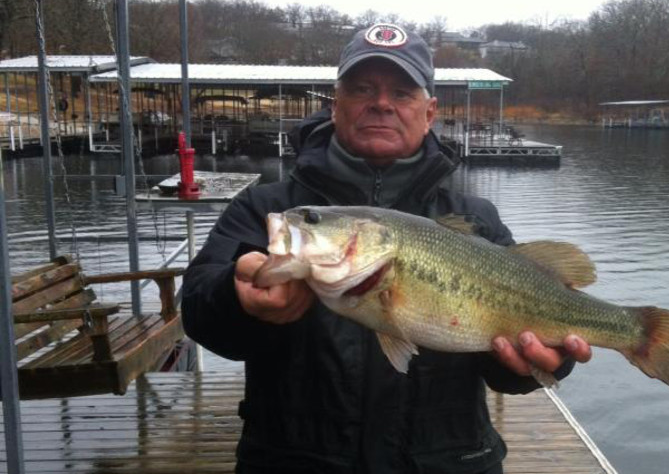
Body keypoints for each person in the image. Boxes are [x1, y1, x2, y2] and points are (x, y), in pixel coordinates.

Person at [182, 23, 592, 474]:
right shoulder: (270, 209)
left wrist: (533, 366)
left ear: (430, 112)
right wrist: (235, 299)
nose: (381, 103)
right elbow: (199, 312)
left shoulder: (478, 220)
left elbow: (506, 364)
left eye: (402, 92)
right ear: (335, 104)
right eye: (362, 88)